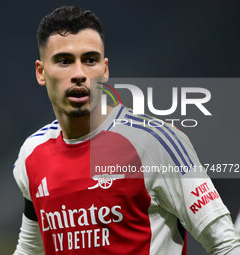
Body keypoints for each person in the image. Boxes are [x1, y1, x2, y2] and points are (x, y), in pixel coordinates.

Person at [13, 6, 240, 255]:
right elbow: (30, 250)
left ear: (105, 69)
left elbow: (226, 245)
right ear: (41, 72)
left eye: (90, 60)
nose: (79, 74)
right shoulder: (31, 154)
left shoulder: (154, 143)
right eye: (64, 61)